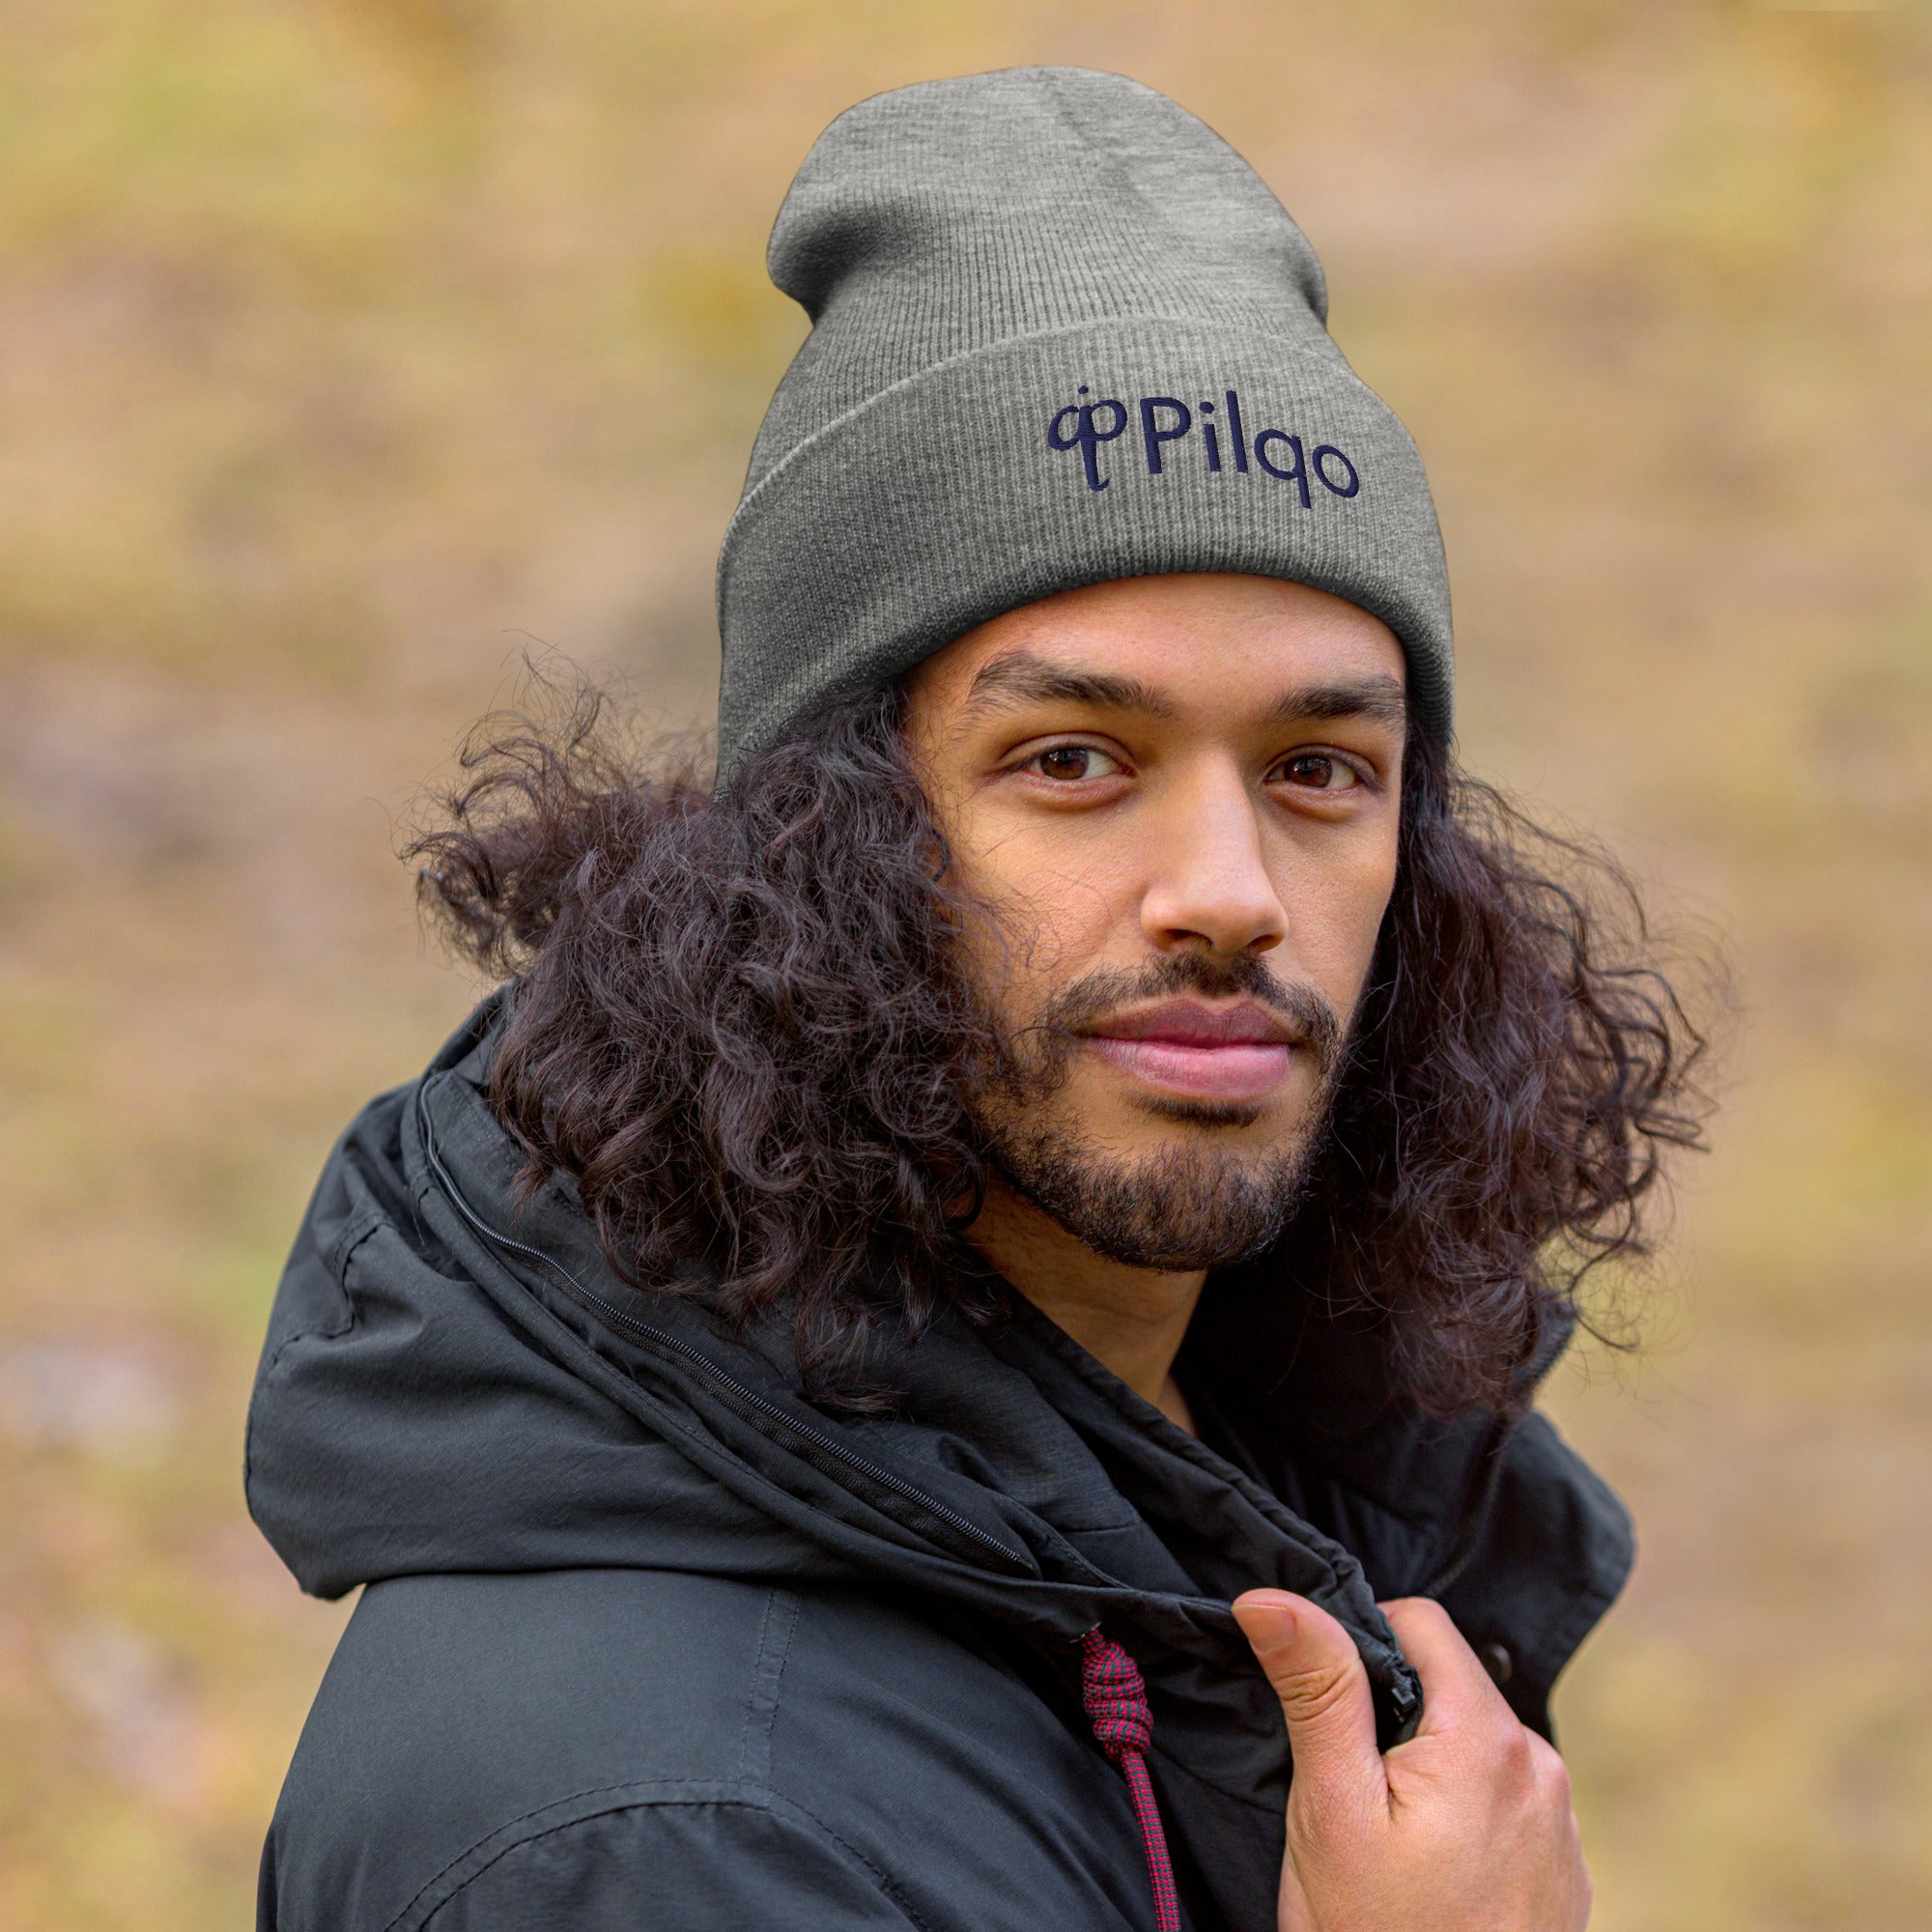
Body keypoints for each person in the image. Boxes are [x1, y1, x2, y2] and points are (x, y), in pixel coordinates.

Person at [248, 68, 1708, 1932]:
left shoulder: (1240, 1480)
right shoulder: (665, 1834)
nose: (1231, 896)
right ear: (822, 842)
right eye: (1076, 760)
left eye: (1321, 768)